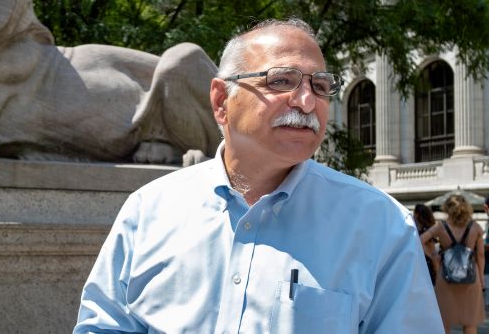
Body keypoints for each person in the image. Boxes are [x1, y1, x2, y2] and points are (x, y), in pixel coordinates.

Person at [74, 18, 441, 333]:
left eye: (320, 86)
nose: (306, 102)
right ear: (221, 101)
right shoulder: (148, 211)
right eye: (282, 82)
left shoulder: (381, 224)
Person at [421, 194, 486, 333]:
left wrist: (433, 256)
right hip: (470, 279)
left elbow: (419, 240)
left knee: (444, 322)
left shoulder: (440, 226)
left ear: (447, 208)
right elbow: (480, 255)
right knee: (470, 323)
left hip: (445, 278)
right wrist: (481, 278)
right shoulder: (475, 227)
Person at [414, 203, 439, 285]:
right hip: (426, 265)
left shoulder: (425, 231)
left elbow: (432, 252)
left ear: (417, 215)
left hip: (427, 266)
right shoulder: (426, 230)